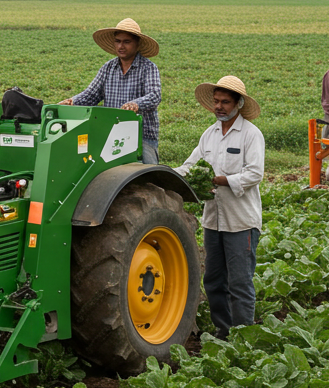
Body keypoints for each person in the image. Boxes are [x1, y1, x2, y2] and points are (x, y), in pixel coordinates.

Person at [175, 76, 265, 339]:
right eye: (216, 101)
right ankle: (223, 331)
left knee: (239, 282)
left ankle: (243, 336)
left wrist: (222, 181)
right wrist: (165, 173)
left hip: (241, 221)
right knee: (213, 280)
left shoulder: (251, 134)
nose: (219, 106)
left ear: (238, 104)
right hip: (213, 220)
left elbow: (255, 174)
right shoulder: (210, 135)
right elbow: (190, 166)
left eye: (225, 102)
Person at [58, 18, 162, 164]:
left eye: (126, 42)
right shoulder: (108, 68)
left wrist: (135, 104)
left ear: (137, 44)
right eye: (118, 41)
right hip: (111, 133)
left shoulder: (148, 68)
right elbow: (91, 94)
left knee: (147, 172)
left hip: (141, 135)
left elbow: (154, 95)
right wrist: (72, 102)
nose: (121, 46)